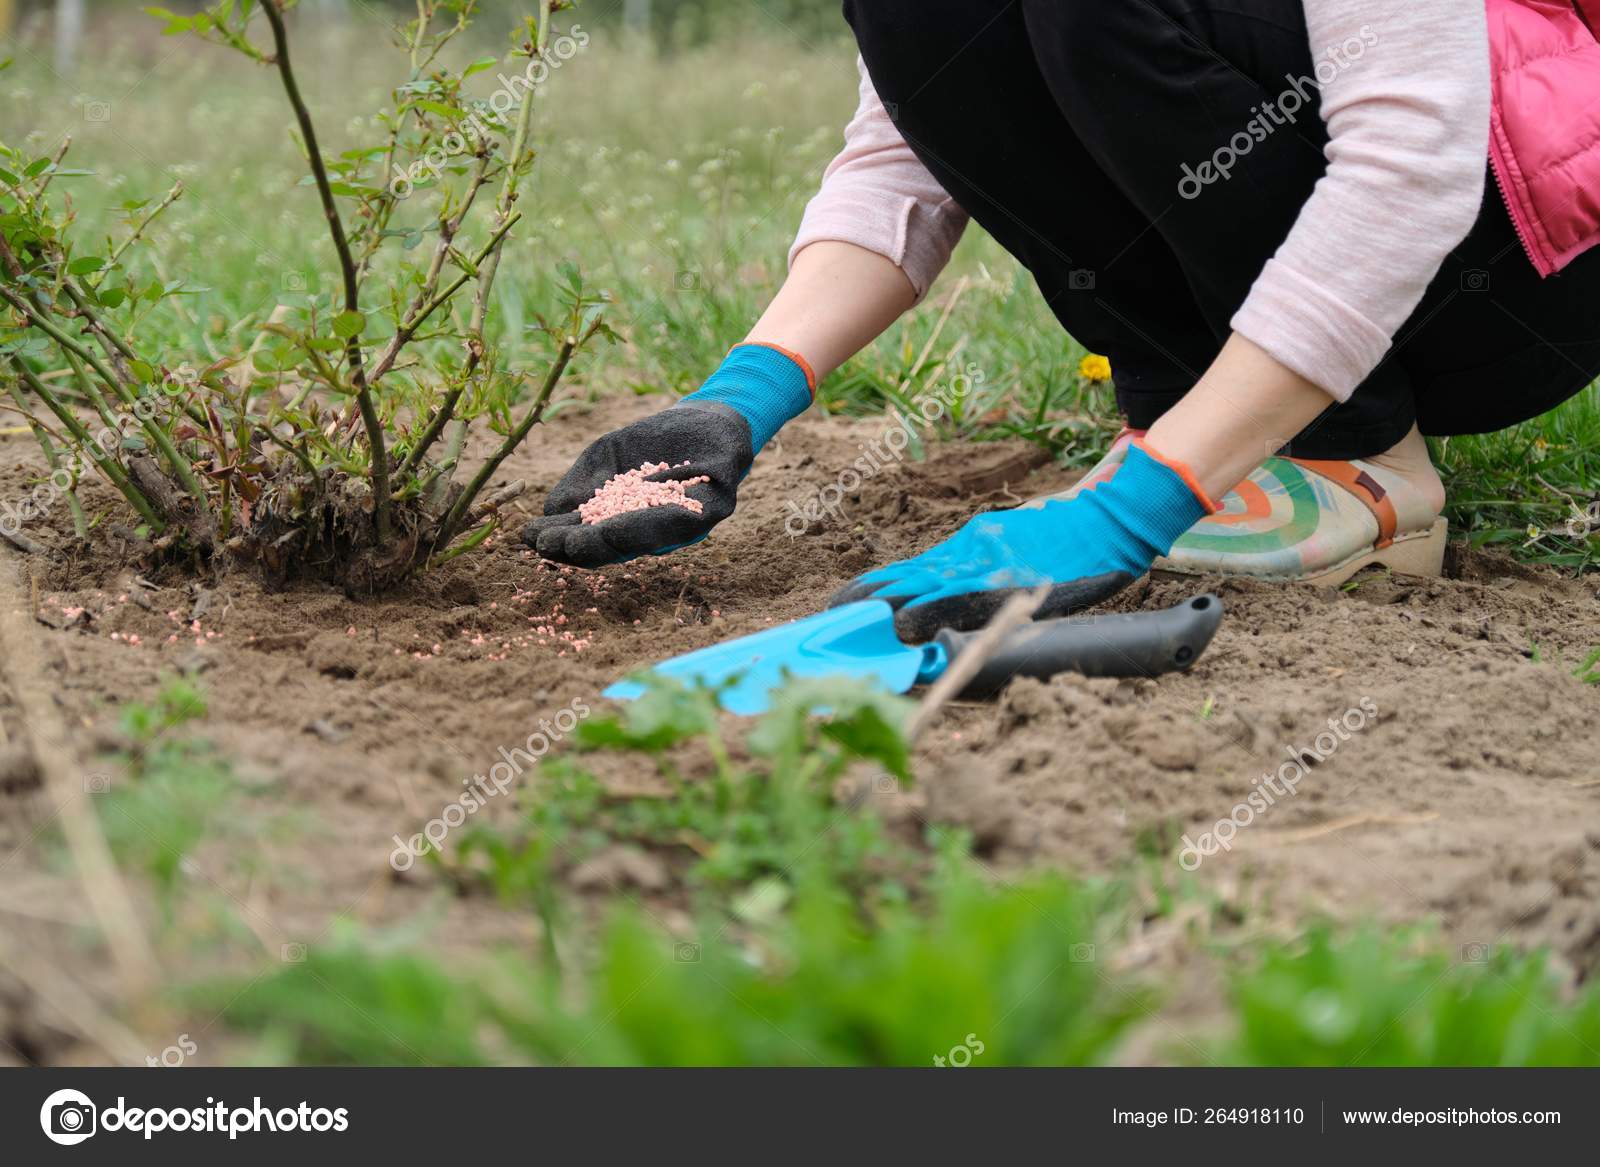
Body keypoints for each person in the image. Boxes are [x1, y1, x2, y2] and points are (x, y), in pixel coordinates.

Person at [526, 0, 1600, 641]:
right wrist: (737, 398)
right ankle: (1202, 419)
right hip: (1352, 245)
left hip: (1506, 268)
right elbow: (909, 151)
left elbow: (1408, 168)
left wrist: (1131, 511)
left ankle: (1358, 456)